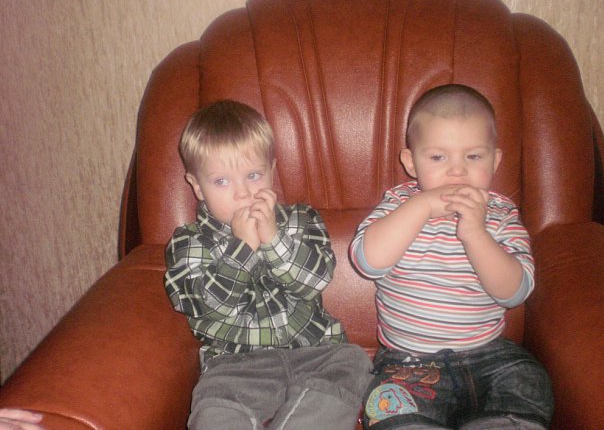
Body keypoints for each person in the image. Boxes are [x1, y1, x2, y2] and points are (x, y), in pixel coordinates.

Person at [349, 84, 554, 429]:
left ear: (495, 160)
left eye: (473, 157)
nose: (457, 172)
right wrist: (422, 206)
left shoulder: (500, 214)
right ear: (411, 162)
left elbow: (514, 292)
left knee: (529, 381)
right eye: (438, 158)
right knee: (387, 406)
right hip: (407, 365)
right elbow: (367, 261)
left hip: (491, 356)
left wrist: (477, 235)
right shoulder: (398, 206)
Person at [164, 100, 373, 429]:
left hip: (317, 351)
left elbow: (315, 281)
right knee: (213, 410)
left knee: (353, 362)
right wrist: (242, 249)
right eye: (221, 181)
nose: (243, 193)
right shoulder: (189, 242)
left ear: (272, 171)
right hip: (236, 365)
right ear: (197, 186)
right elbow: (208, 308)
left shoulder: (302, 220)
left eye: (253, 175)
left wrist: (274, 239)